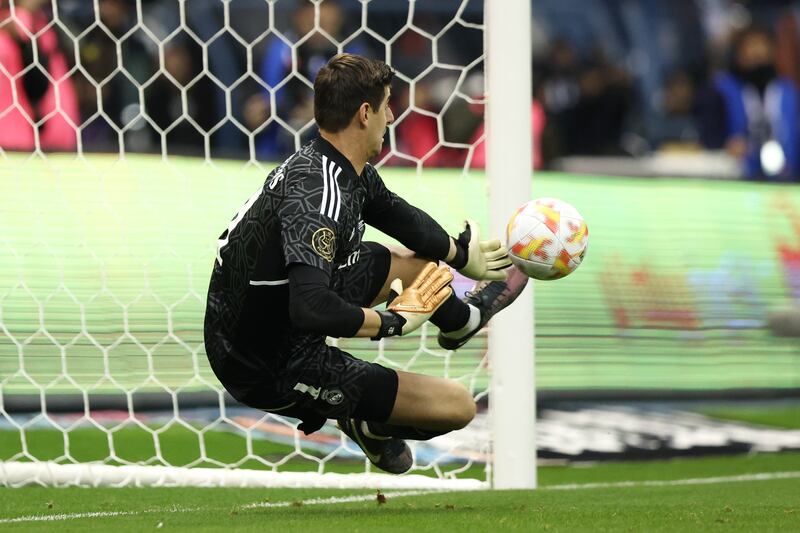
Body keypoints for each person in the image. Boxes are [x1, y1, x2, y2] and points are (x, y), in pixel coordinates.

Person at [204, 53, 527, 474]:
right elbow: (312, 307)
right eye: (387, 104)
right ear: (364, 113)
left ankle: (461, 321)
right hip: (266, 362)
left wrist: (463, 256)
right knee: (457, 407)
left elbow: (396, 213)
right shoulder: (319, 198)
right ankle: (366, 421)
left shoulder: (337, 163)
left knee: (410, 263)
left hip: (271, 316)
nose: (392, 115)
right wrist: (393, 321)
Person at [696, 25, 800, 181]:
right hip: (736, 177)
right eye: (750, 46)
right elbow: (708, 136)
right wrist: (724, 146)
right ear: (737, 52)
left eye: (762, 45)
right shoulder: (719, 90)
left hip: (789, 178)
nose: (756, 53)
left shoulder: (788, 91)